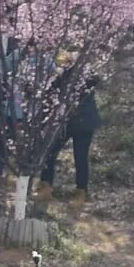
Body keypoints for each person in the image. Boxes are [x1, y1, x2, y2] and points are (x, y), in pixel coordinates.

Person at [39, 69, 101, 206]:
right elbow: (51, 89)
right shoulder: (62, 73)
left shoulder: (88, 72)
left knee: (80, 157)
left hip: (84, 121)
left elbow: (95, 80)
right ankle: (45, 186)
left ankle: (81, 192)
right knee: (50, 152)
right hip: (65, 121)